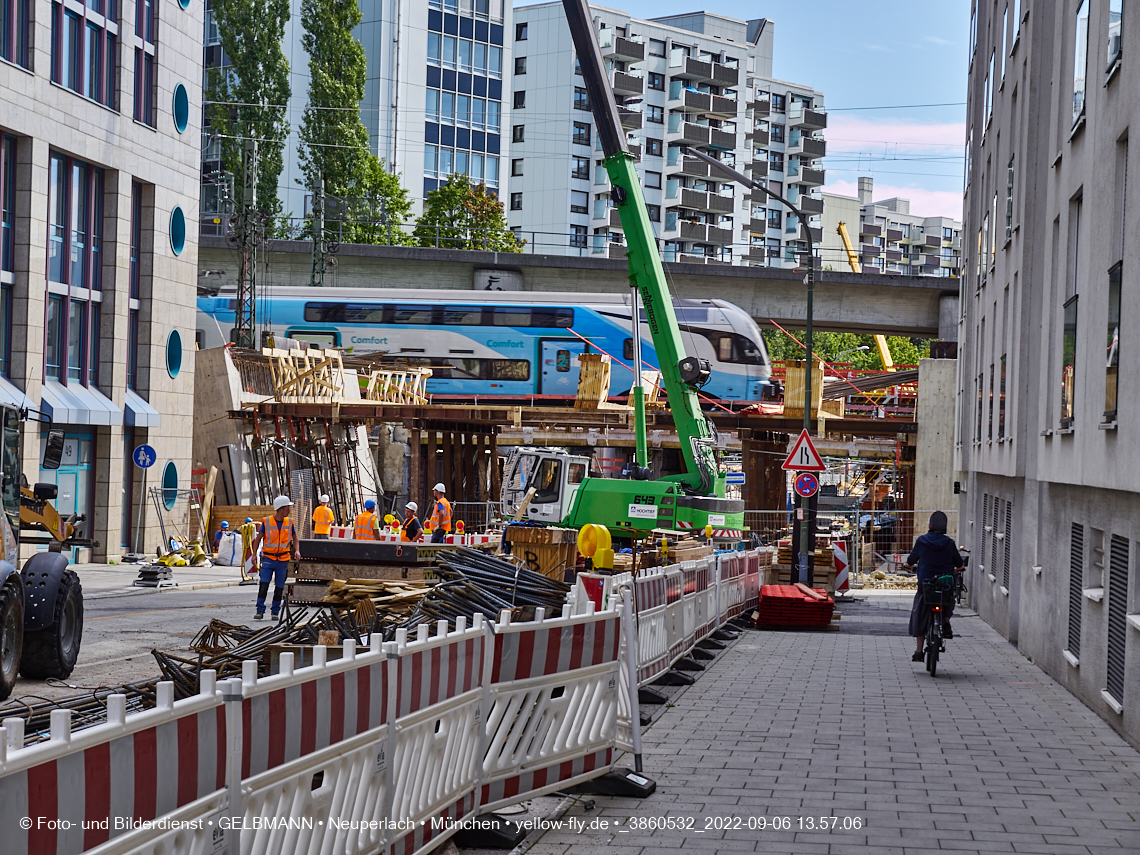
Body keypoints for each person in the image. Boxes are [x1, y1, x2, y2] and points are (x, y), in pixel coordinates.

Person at [905, 510, 964, 661]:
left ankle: (919, 651)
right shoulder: (949, 543)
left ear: (930, 525)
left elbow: (912, 559)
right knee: (948, 598)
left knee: (920, 612)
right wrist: (957, 567)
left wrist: (908, 564)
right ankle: (945, 620)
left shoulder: (922, 541)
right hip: (945, 584)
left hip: (926, 584)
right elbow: (958, 562)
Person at [250, 495, 300, 620]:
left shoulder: (289, 522)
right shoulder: (267, 522)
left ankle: (275, 612)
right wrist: (254, 554)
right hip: (268, 558)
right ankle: (260, 610)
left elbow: (295, 538)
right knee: (264, 584)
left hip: (283, 560)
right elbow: (258, 538)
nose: (289, 510)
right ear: (281, 509)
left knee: (279, 587)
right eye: (287, 508)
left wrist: (297, 550)